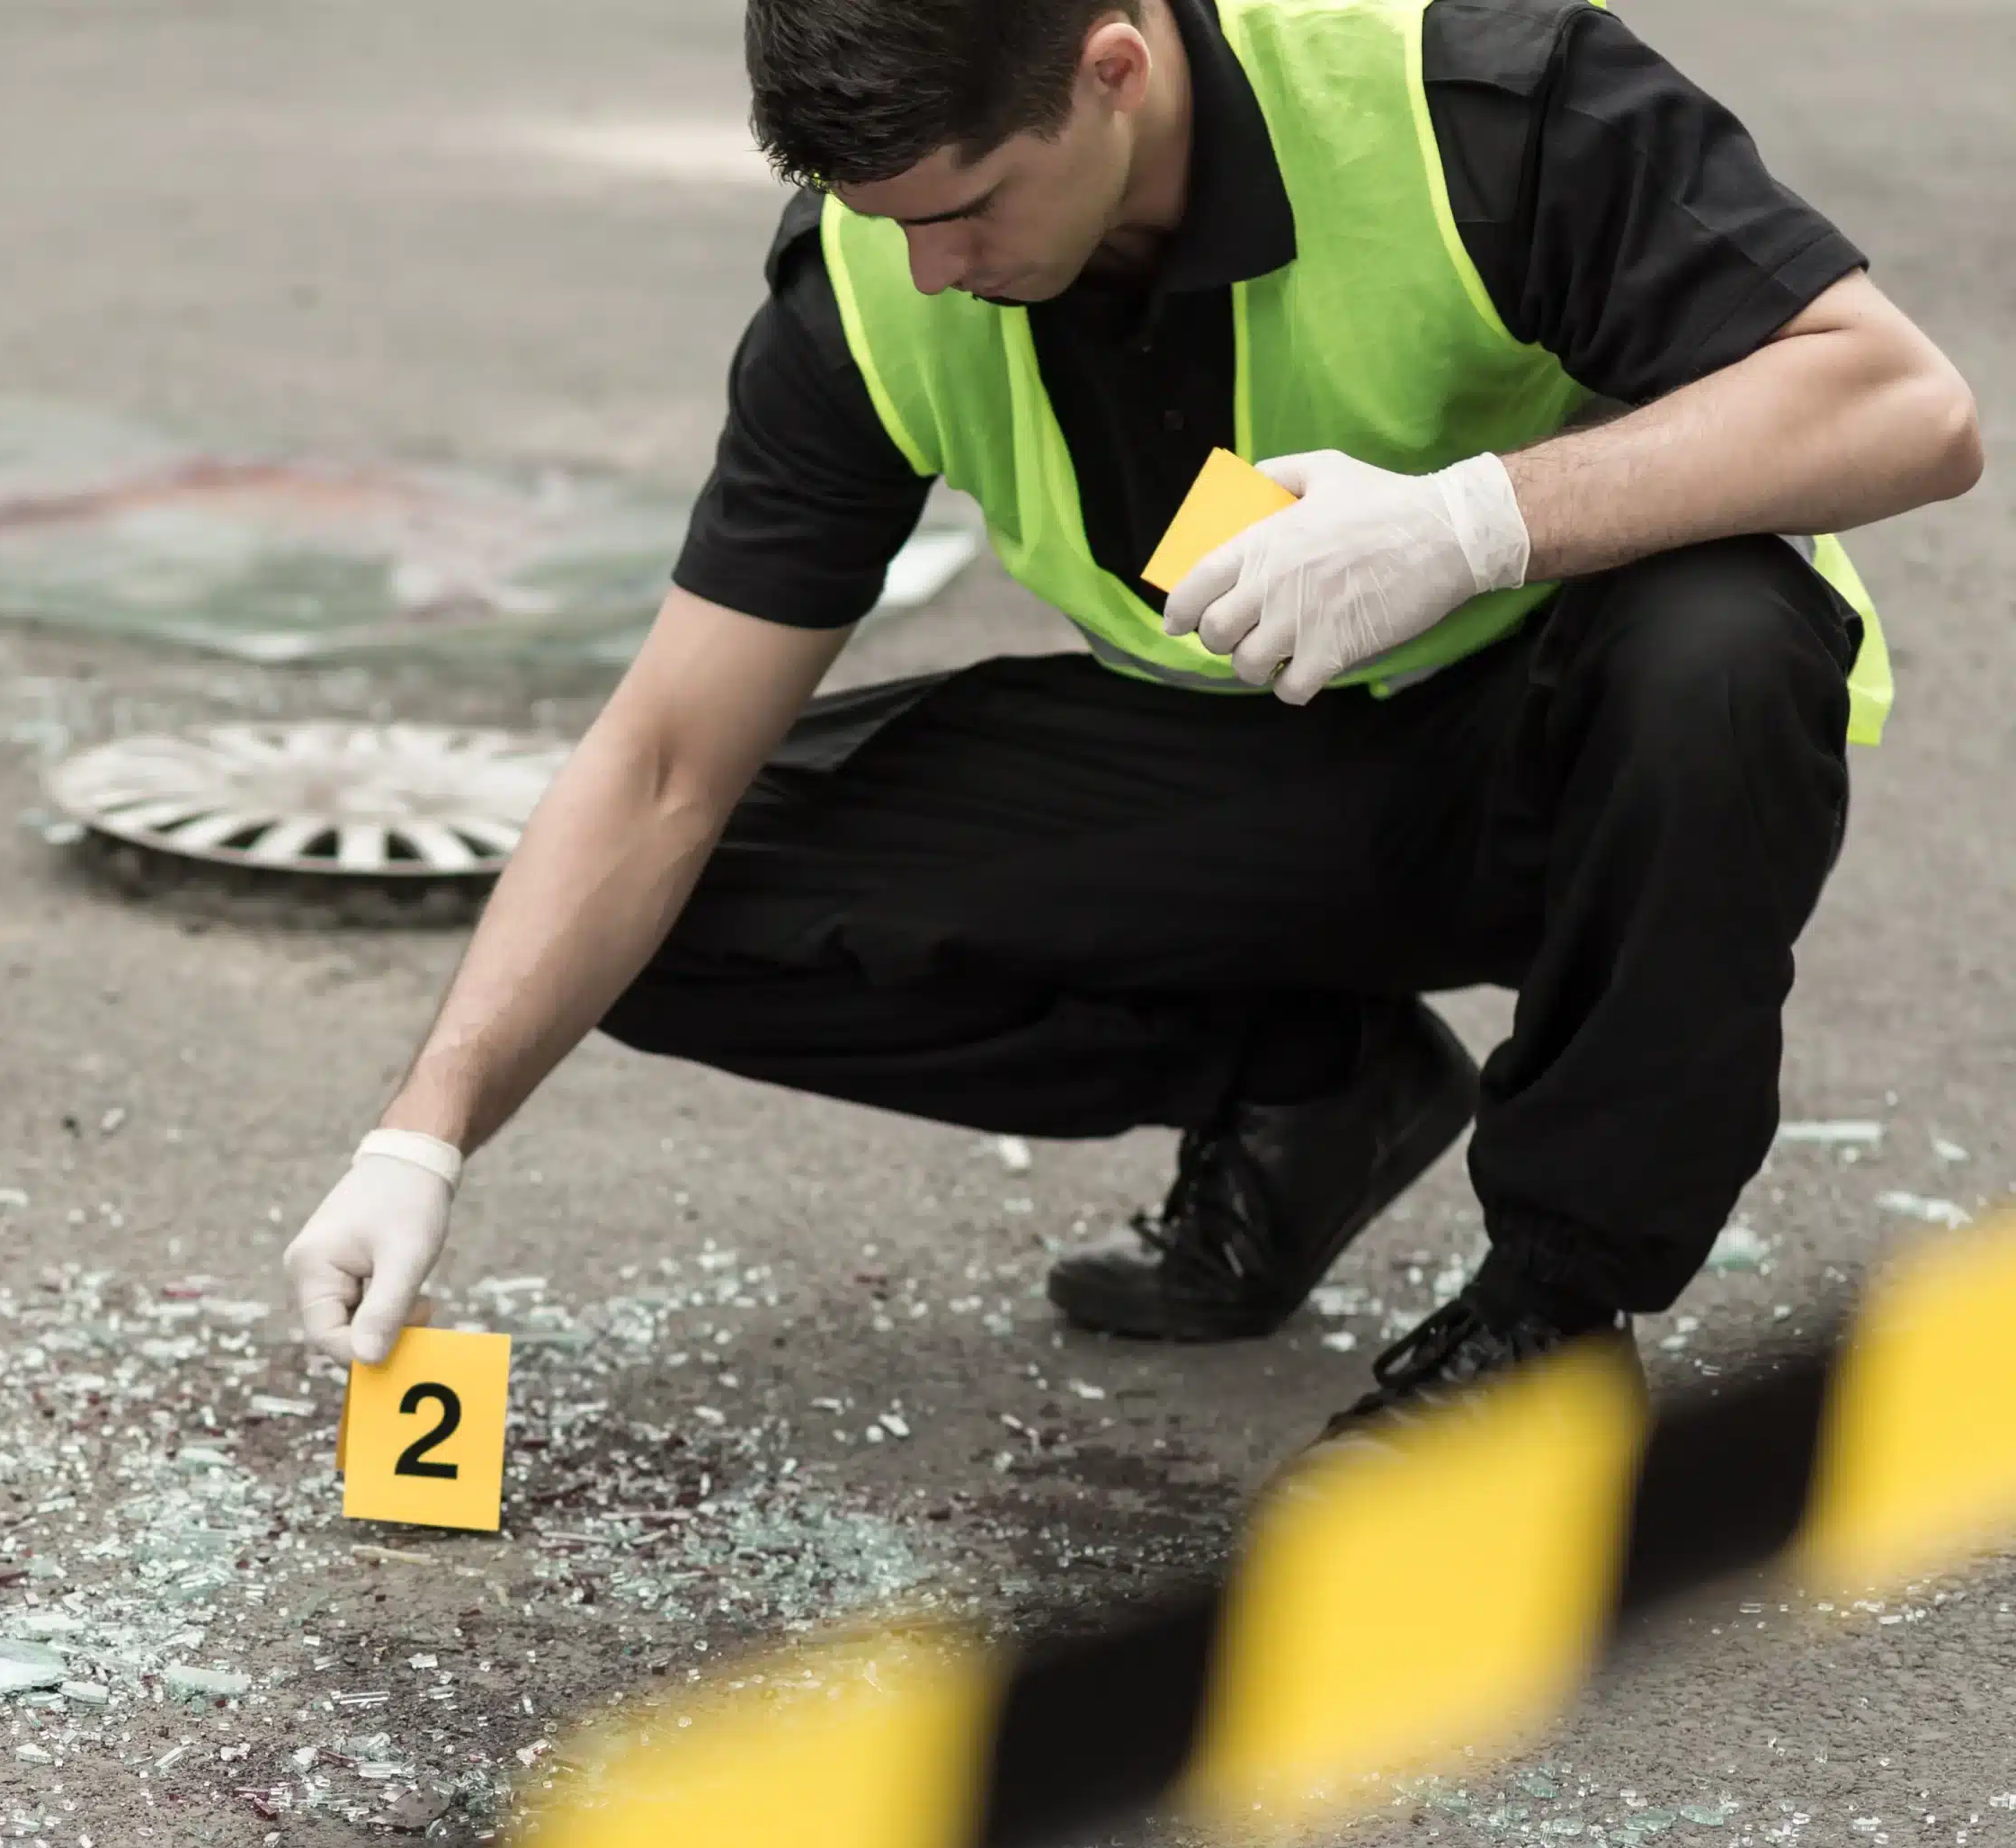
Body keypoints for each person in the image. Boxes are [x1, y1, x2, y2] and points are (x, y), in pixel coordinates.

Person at [286, 0, 1980, 1439]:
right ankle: (1312, 1084)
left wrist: (1470, 523)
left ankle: (1555, 1306)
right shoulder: (879, 278)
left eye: (965, 211)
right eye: (885, 221)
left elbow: (1905, 401)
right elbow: (661, 763)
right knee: (631, 911)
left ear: (1115, 65)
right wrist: (419, 1138)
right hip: (1260, 769)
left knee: (1723, 642)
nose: (929, 272)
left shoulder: (1459, 94)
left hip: (1575, 763)